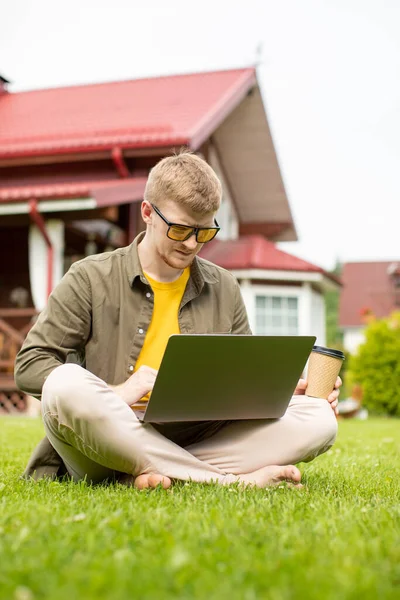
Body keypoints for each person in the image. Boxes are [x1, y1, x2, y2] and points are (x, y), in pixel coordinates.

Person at [15, 151, 341, 490]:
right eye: (179, 229)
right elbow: (29, 364)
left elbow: (241, 385)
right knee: (65, 383)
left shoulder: (224, 286)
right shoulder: (89, 277)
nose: (190, 244)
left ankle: (147, 475)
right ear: (147, 213)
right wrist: (117, 394)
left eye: (203, 232)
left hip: (199, 439)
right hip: (109, 433)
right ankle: (230, 482)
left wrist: (288, 391)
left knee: (319, 419)